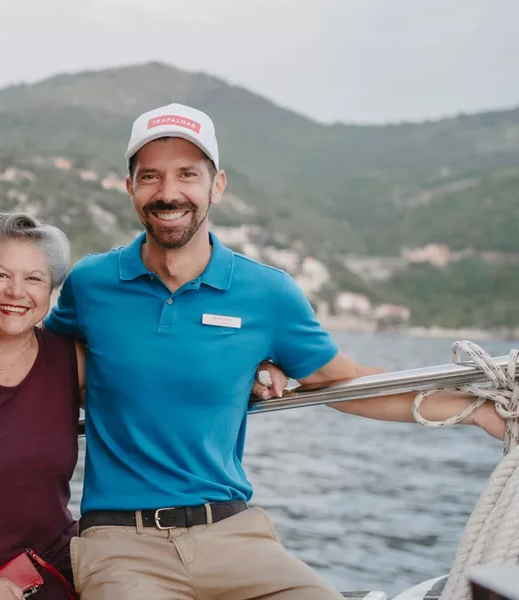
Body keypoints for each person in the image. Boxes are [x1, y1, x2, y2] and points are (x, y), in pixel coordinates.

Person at [39, 103, 507, 599]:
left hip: (232, 535)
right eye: (150, 176)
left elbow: (346, 383)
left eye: (187, 174)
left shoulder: (268, 293)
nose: (168, 192)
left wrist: (475, 409)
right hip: (120, 543)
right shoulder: (91, 283)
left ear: (217, 185)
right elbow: (25, 358)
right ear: (129, 187)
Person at [0, 213, 287, 600]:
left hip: (48, 575)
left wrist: (249, 369)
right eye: (0, 275)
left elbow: (158, 385)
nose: (16, 292)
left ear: (50, 293)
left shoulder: (69, 361)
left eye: (34, 278)